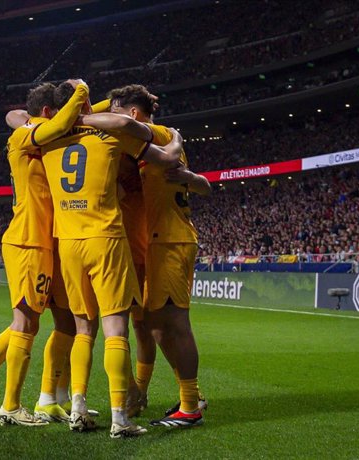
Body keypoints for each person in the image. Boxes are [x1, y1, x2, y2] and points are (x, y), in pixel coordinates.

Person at [41, 81, 183, 438]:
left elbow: (18, 117)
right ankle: (120, 418)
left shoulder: (45, 138)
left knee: (83, 329)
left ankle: (77, 407)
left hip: (68, 243)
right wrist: (177, 140)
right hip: (105, 238)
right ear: (85, 103)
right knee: (116, 329)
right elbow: (166, 158)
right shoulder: (109, 136)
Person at [0, 80, 88, 427]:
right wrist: (83, 92)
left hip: (42, 240)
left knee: (27, 322)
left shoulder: (33, 131)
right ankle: (10, 405)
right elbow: (50, 123)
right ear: (45, 113)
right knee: (25, 322)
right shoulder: (27, 134)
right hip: (28, 240)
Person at [108, 84, 211, 427]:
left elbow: (121, 126)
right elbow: (201, 184)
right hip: (162, 240)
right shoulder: (158, 145)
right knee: (154, 325)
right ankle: (188, 398)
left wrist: (80, 113)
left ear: (134, 113)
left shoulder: (162, 133)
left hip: (171, 241)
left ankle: (191, 406)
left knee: (174, 323)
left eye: (117, 109)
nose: (114, 116)